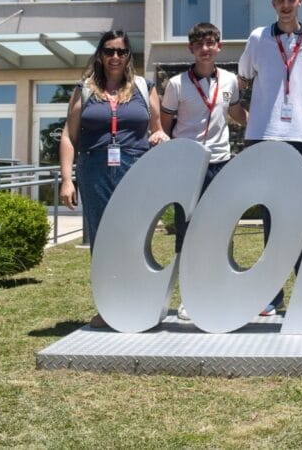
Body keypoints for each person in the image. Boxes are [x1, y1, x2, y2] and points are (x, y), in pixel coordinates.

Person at [59, 30, 169, 328]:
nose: (115, 57)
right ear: (100, 55)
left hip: (135, 167)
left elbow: (157, 128)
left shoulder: (145, 88)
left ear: (129, 56)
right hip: (94, 169)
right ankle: (110, 307)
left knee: (136, 236)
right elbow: (69, 137)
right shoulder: (84, 90)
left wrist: (159, 134)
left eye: (121, 51)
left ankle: (140, 301)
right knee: (103, 239)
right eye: (109, 51)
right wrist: (67, 180)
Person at [238, 0, 302, 316]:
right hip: (266, 135)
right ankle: (272, 294)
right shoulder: (258, 38)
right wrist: (247, 114)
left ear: (300, 1)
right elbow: (243, 79)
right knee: (270, 216)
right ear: (273, 3)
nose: (286, 4)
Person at [160, 23, 247, 258]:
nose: (205, 49)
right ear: (191, 49)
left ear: (219, 46)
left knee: (222, 221)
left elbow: (236, 112)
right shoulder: (177, 84)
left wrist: (259, 125)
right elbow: (165, 124)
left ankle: (220, 277)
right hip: (188, 164)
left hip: (221, 162)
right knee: (186, 225)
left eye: (210, 43)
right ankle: (187, 281)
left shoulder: (229, 80)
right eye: (199, 45)